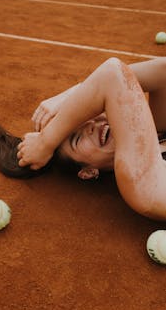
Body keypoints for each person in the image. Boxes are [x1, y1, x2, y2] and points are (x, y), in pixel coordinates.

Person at [16, 57, 166, 221]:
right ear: (88, 172)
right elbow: (112, 74)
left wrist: (71, 97)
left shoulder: (157, 131)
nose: (91, 125)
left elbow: (163, 70)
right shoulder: (142, 182)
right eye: (77, 138)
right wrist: (45, 143)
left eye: (85, 118)